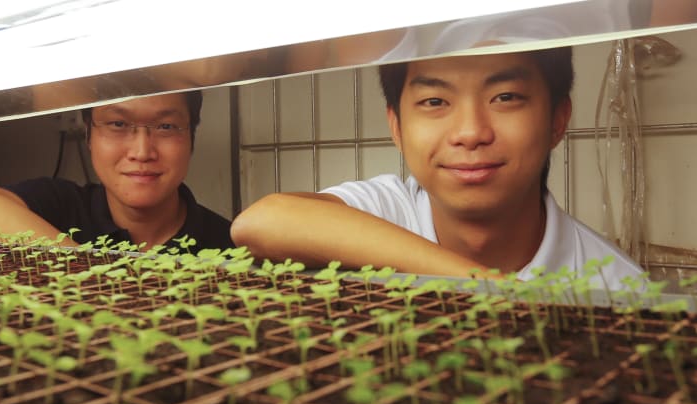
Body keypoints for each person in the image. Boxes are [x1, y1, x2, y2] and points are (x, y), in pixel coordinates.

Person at [231, 47, 644, 289]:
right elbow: (261, 222)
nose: (469, 132)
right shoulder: (387, 210)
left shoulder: (621, 287)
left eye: (505, 97)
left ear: (558, 119)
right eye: (434, 102)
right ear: (396, 126)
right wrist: (492, 290)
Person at [0, 91, 234, 252]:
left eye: (166, 127)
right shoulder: (58, 207)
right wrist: (85, 266)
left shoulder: (227, 244)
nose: (142, 152)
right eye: (118, 124)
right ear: (88, 135)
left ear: (191, 137)